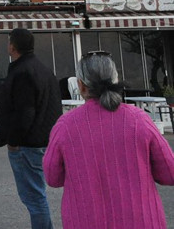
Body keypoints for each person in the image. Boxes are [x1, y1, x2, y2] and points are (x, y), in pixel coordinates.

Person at [43, 51, 174, 228]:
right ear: (115, 80)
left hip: (85, 221)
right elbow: (169, 173)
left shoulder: (65, 125)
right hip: (142, 221)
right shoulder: (139, 119)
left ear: (81, 86)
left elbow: (53, 177)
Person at [0, 28, 62, 229]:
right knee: (36, 195)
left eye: (8, 42)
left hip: (28, 145)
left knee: (34, 197)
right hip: (42, 140)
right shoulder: (43, 69)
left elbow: (25, 112)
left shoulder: (23, 72)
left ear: (12, 47)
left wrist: (13, 142)